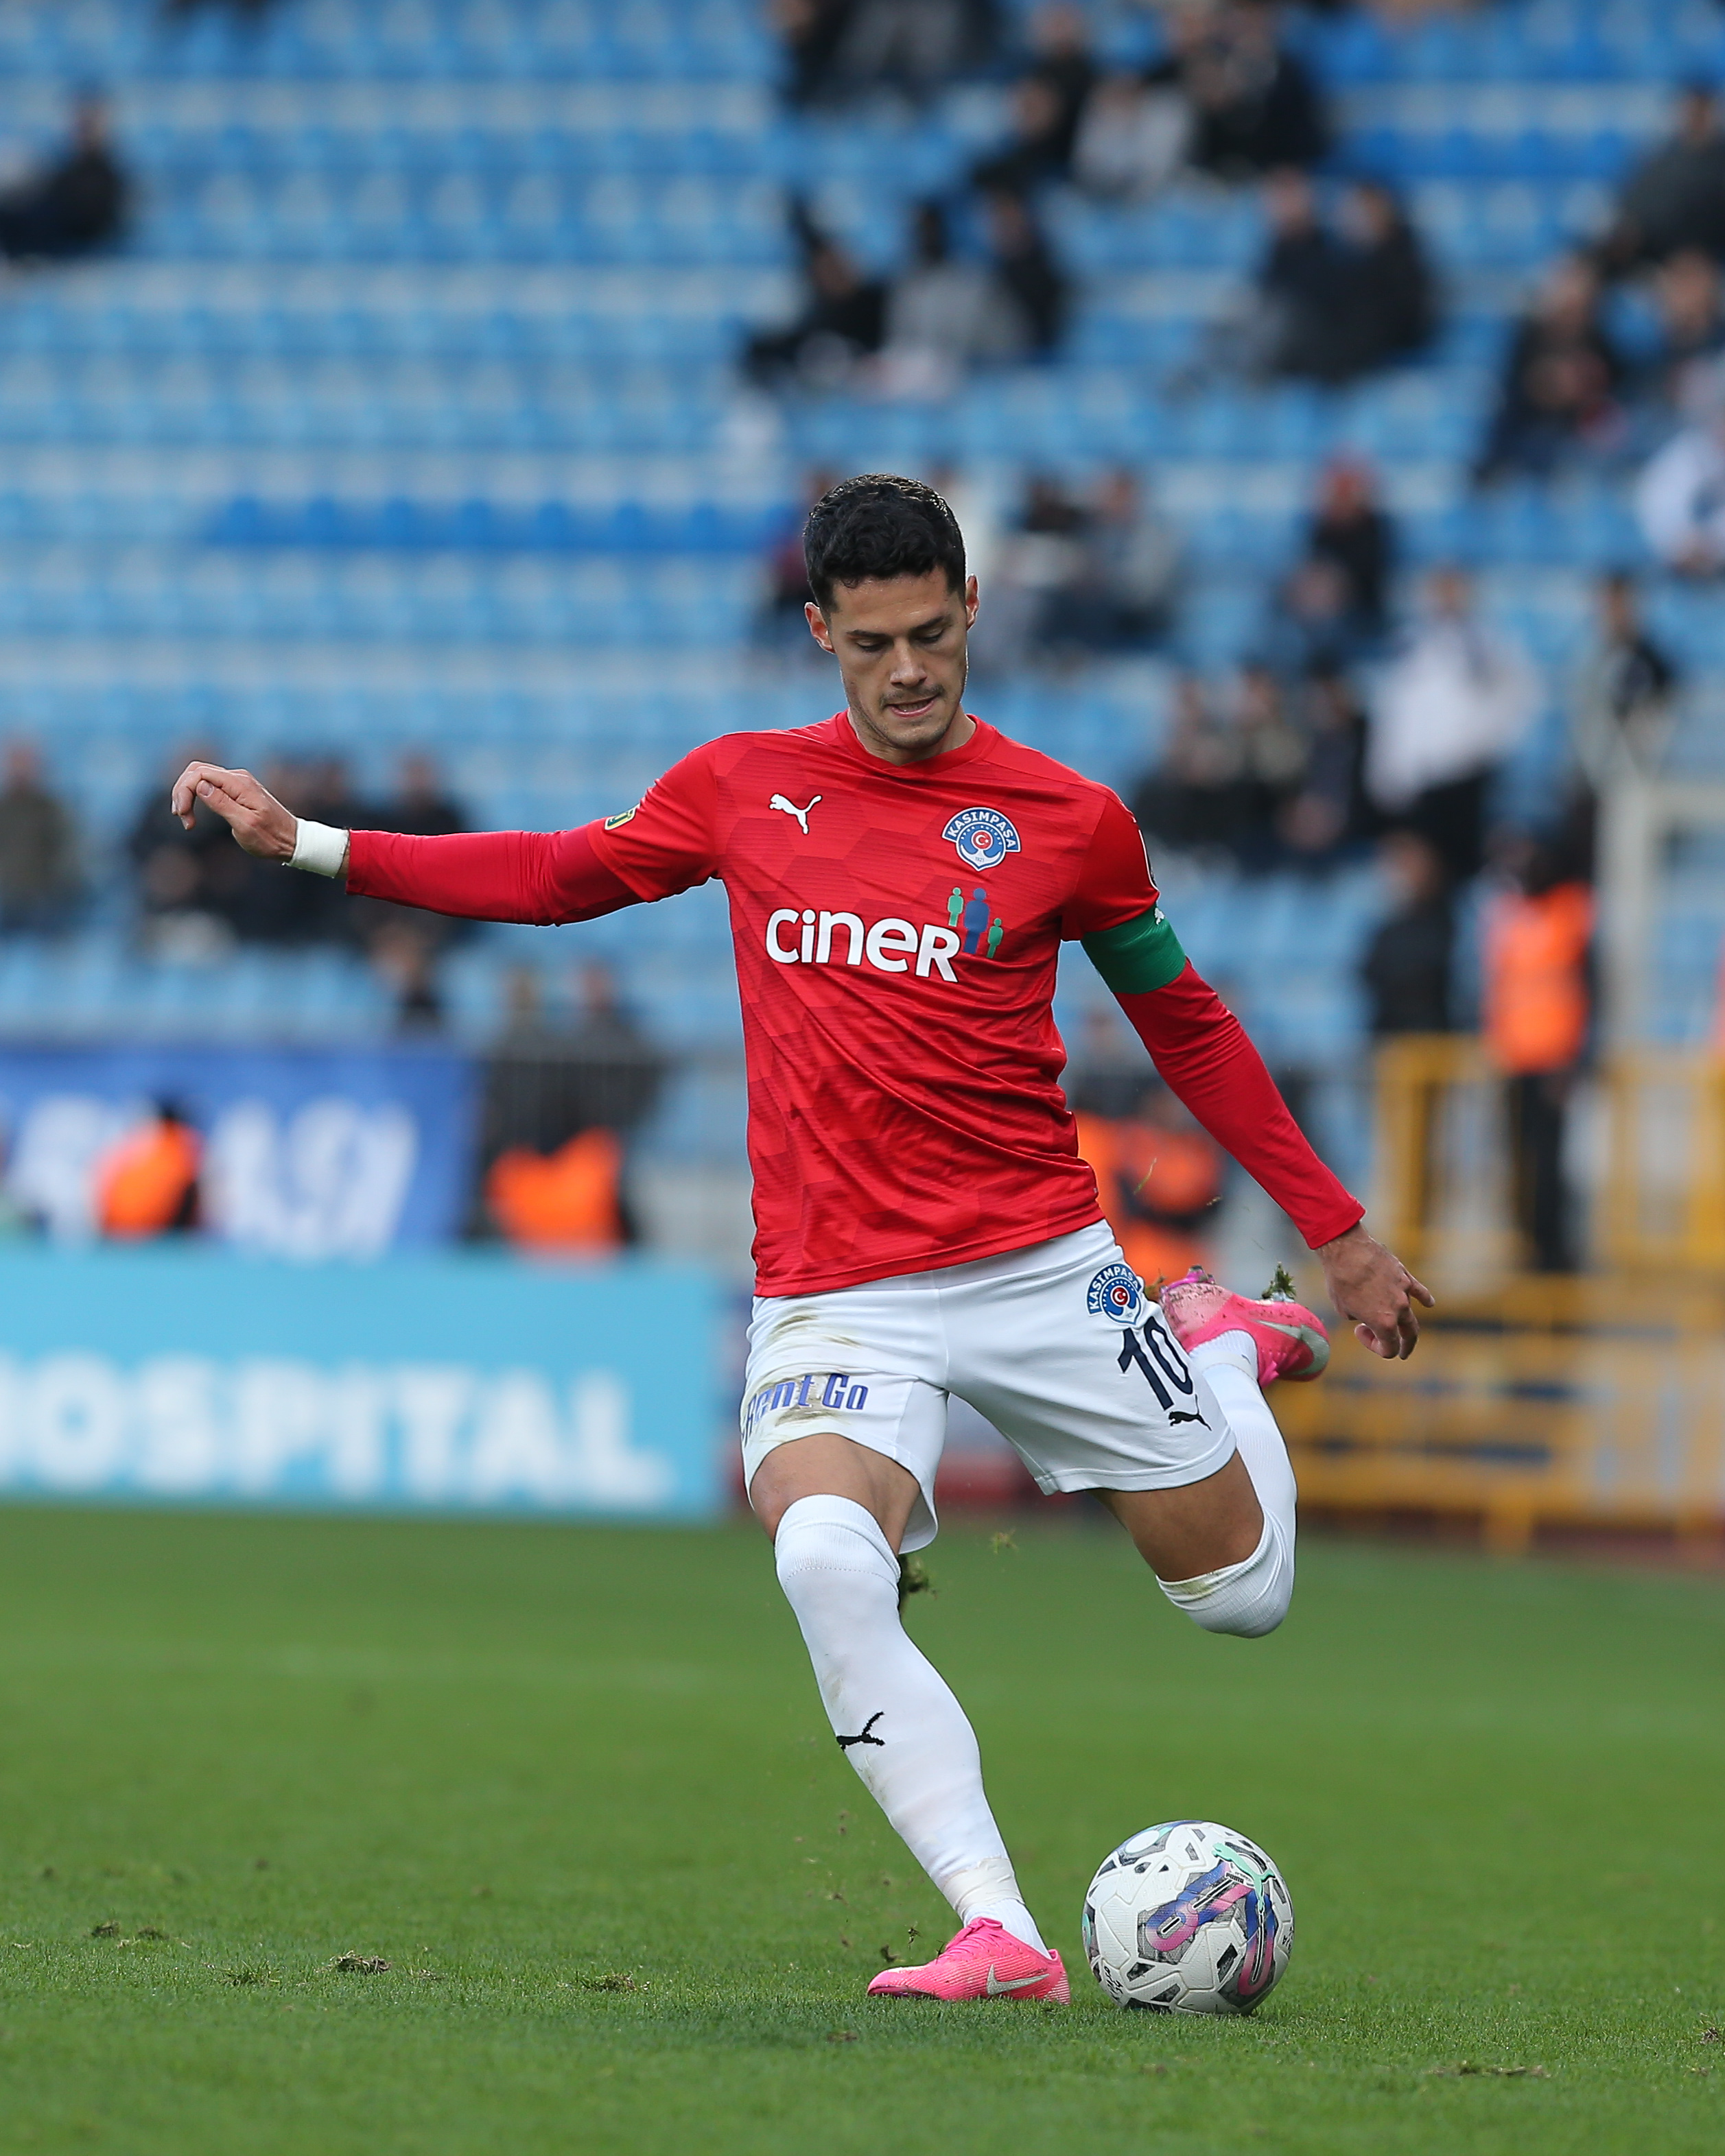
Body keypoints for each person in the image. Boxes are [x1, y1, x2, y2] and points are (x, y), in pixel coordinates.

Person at [171, 473, 1429, 2006]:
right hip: (839, 1292)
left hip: (1040, 1264)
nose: (907, 671)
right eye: (872, 642)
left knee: (1241, 1596)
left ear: (972, 611)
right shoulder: (742, 786)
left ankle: (1220, 1348)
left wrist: (1335, 1232)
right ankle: (1000, 1928)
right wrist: (311, 841)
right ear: (821, 630)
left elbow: (1187, 1021)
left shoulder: (1070, 819)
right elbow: (556, 877)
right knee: (825, 1553)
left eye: (931, 635)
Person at [1368, 565, 1541, 882]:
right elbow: (1397, 714)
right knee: (1427, 871)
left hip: (1468, 775)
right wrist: (1389, 776)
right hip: (1423, 781)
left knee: (1465, 868)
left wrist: (1487, 746)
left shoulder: (1490, 644)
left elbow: (1519, 701)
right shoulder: (1412, 644)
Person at [1482, 838, 1593, 1274]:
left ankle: (1554, 1251)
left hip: (1553, 1059)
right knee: (1516, 1158)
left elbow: (1589, 988)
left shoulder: (1572, 911)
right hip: (1514, 1058)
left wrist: (1575, 1059)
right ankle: (1526, 1245)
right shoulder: (1509, 913)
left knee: (1549, 1163)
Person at [1476, 255, 1626, 481]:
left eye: (1582, 293)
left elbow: (1615, 398)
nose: (1573, 300)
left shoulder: (1603, 345)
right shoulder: (1526, 337)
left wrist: (1587, 387)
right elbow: (1511, 392)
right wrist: (1545, 386)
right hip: (1527, 435)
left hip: (1577, 442)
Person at [744, 211, 888, 392]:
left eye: (837, 266)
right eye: (824, 269)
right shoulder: (816, 318)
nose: (832, 274)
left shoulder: (878, 304)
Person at [1598, 82, 1725, 276]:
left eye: (1700, 112)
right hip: (1656, 252)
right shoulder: (1661, 160)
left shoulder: (1718, 163)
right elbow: (1635, 205)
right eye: (1689, 112)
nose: (1693, 119)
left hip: (1707, 253)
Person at [1570, 572, 1678, 790]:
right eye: (1609, 605)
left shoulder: (1652, 662)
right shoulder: (1589, 656)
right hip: (1590, 766)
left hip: (1632, 773)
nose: (1614, 613)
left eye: (1620, 605)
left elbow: (1657, 716)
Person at [0, 95, 129, 263]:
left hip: (72, 236)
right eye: (80, 125)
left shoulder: (107, 174)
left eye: (89, 126)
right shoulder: (66, 166)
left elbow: (94, 219)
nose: (83, 132)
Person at [1359, 831, 1455, 1040]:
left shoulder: (1448, 924)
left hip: (1438, 1040)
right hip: (1385, 1040)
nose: (1393, 877)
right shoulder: (1376, 927)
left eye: (1403, 866)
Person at [1635, 359, 1725, 575]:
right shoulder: (1686, 453)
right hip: (1682, 564)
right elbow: (1658, 504)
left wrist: (1714, 544)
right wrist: (1684, 543)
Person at [0, 741, 79, 934]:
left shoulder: (51, 810)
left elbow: (67, 853)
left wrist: (53, 883)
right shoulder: (4, 808)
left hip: (43, 895)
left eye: (26, 764)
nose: (21, 771)